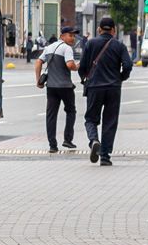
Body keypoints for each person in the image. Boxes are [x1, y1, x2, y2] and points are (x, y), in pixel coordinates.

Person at [80, 16, 132, 166]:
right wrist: (121, 77)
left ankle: (94, 140)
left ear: (98, 29)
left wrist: (85, 78)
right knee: (110, 121)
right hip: (113, 88)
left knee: (91, 119)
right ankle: (105, 156)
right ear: (114, 30)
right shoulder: (119, 46)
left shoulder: (90, 44)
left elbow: (82, 66)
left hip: (95, 87)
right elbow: (128, 65)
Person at [36, 26, 80, 154]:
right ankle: (67, 139)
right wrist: (77, 67)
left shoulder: (49, 48)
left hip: (51, 87)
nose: (72, 38)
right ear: (62, 36)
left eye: (73, 36)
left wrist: (38, 80)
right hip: (65, 86)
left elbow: (39, 62)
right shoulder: (67, 48)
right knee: (71, 111)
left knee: (51, 115)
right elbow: (69, 65)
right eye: (70, 35)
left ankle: (52, 145)